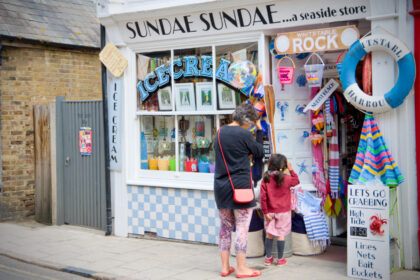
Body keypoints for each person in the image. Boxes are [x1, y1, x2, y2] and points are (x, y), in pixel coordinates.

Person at [214, 103, 264, 278]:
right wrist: (259, 130)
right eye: (251, 123)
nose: (250, 126)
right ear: (247, 121)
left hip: (221, 186)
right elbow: (259, 152)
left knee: (225, 227)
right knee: (242, 227)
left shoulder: (219, 132)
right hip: (240, 186)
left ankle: (225, 267)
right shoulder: (245, 134)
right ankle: (242, 268)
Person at [260, 154, 300, 266]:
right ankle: (280, 259)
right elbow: (296, 181)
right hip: (284, 212)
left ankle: (268, 258)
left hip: (270, 212)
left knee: (269, 233)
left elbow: (263, 198)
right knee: (281, 234)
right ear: (284, 166)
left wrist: (265, 212)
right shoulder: (287, 179)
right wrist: (291, 169)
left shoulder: (266, 179)